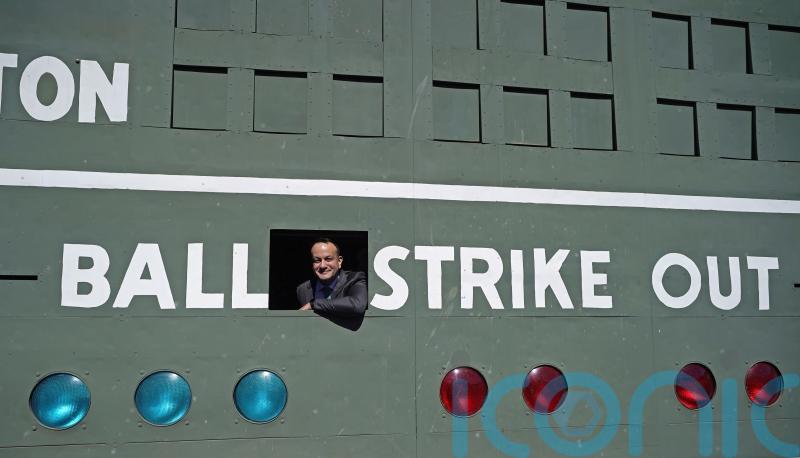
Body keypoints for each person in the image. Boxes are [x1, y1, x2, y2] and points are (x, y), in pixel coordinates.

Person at [297, 238, 367, 317]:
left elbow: (358, 304)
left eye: (328, 259)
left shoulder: (354, 279)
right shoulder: (303, 290)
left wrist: (313, 304)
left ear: (339, 261)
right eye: (317, 260)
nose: (322, 265)